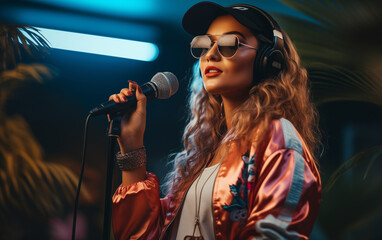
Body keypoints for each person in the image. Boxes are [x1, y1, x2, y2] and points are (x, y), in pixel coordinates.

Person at [109, 2, 321, 239]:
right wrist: (132, 150)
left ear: (268, 60)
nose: (211, 53)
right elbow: (139, 236)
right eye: (204, 45)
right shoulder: (203, 153)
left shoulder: (277, 138)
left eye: (230, 44)